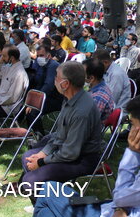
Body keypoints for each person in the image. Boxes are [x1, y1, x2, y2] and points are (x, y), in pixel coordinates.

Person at [15, 92, 140, 217]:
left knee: (48, 190)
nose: (130, 130)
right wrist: (121, 208)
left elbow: (120, 197)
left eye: (132, 125)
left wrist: (133, 153)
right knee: (46, 216)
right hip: (113, 213)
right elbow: (128, 199)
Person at [20, 61, 101, 194]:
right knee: (28, 156)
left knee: (30, 181)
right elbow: (60, 134)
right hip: (67, 151)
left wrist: (41, 161)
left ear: (65, 84)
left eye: (56, 77)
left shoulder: (82, 111)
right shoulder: (69, 98)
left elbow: (70, 153)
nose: (54, 80)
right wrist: (43, 153)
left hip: (82, 159)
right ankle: (43, 200)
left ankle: (48, 206)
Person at [83, 58, 115, 122]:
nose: (80, 75)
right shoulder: (98, 86)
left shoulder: (98, 98)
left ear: (91, 78)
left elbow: (86, 122)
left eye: (82, 74)